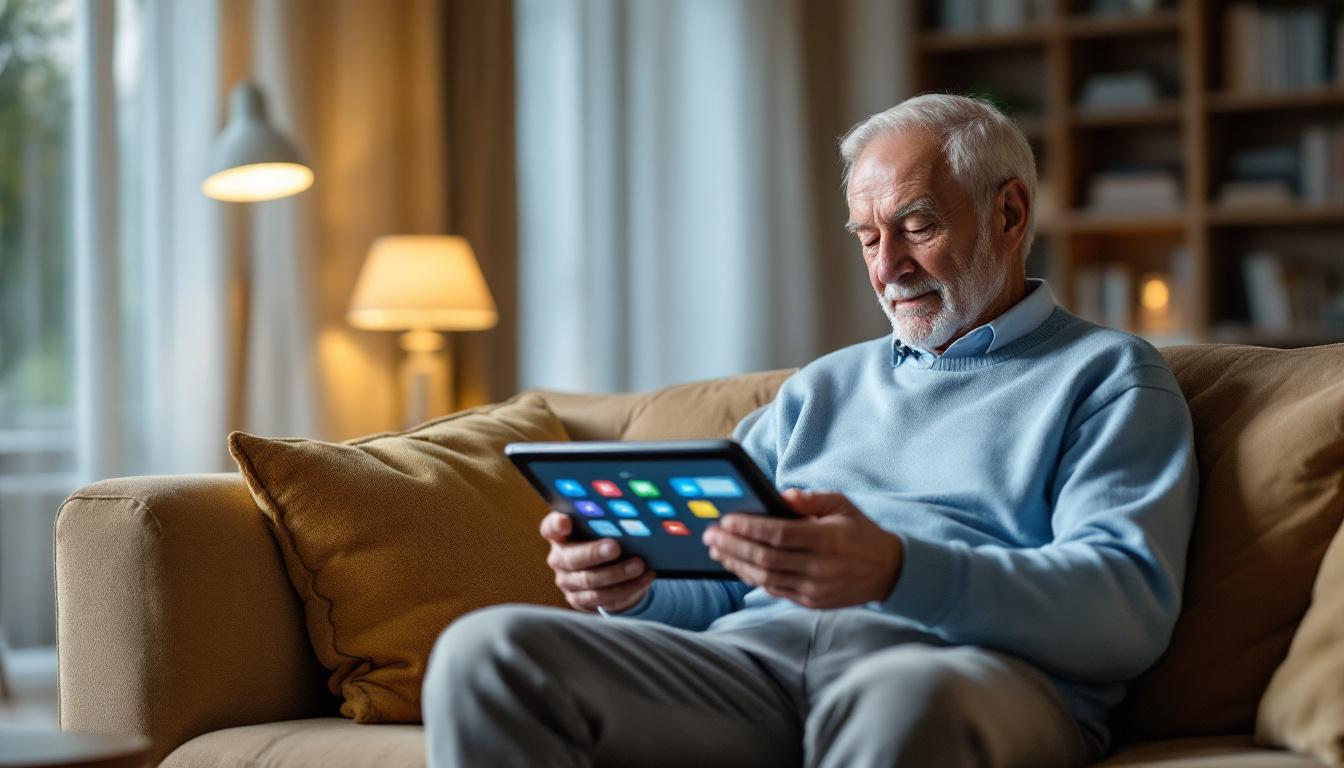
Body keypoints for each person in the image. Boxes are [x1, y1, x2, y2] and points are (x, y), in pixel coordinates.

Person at [421, 93, 1198, 768]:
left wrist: (895, 570)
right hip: (755, 671)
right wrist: (637, 589)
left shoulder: (1107, 377)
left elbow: (1124, 607)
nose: (887, 267)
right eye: (867, 237)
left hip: (964, 671)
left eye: (915, 226)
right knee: (487, 652)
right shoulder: (821, 388)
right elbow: (721, 580)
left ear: (1010, 212)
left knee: (905, 695)